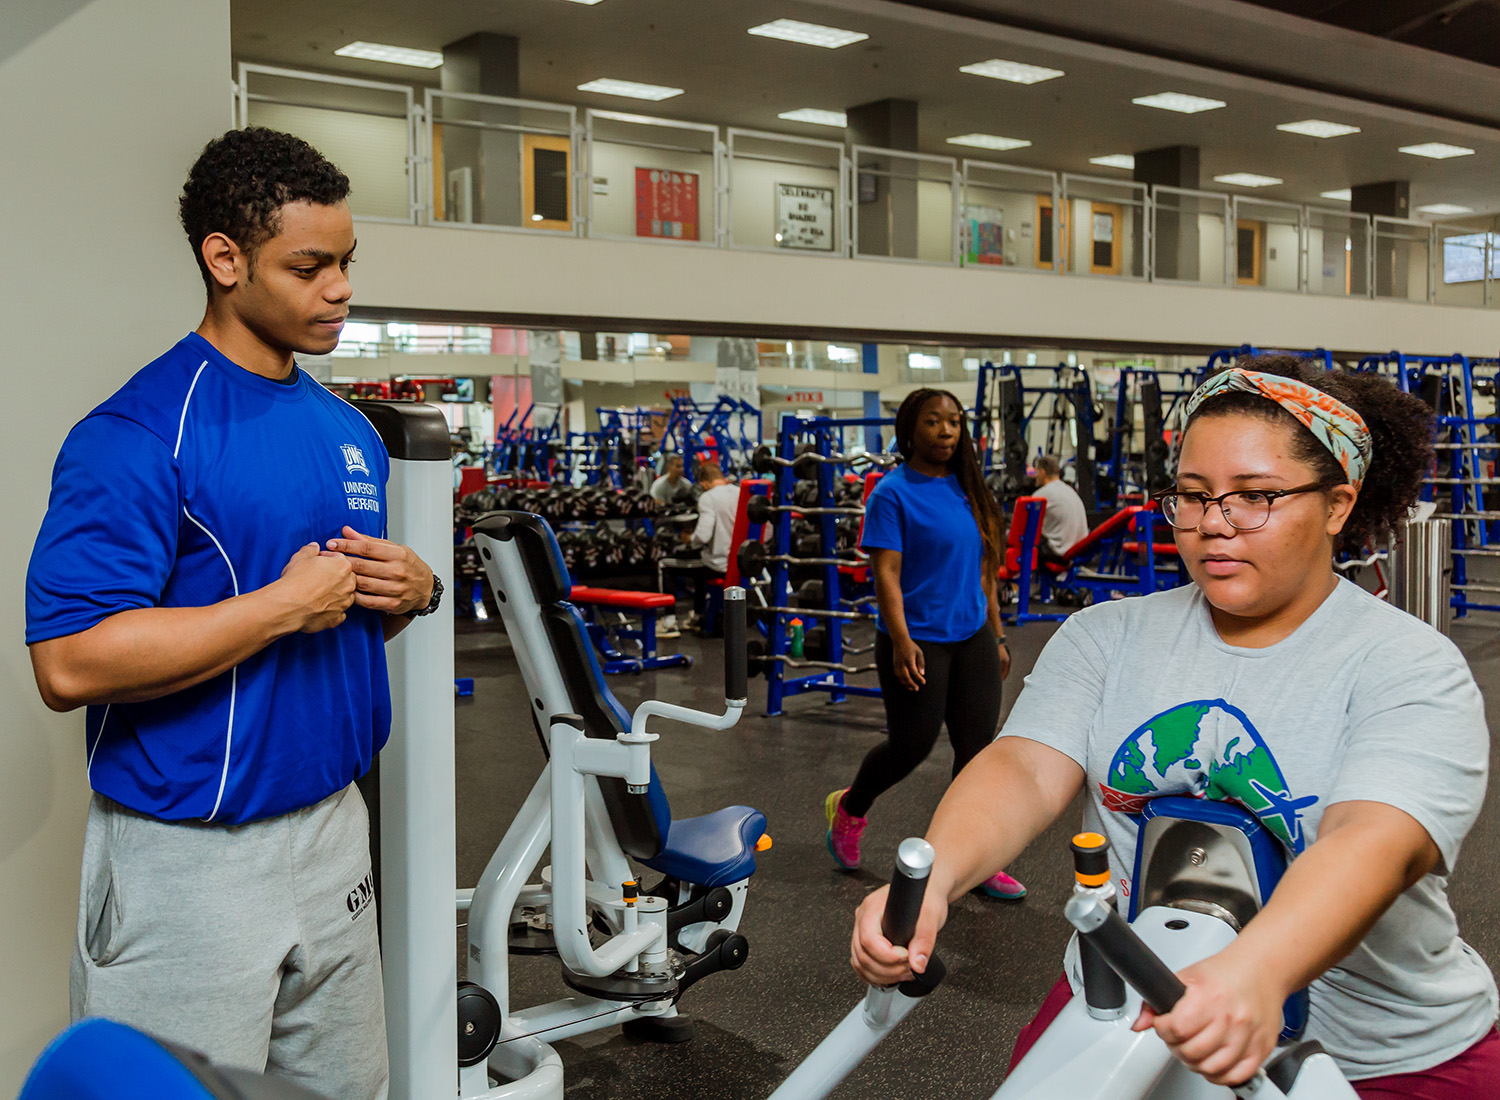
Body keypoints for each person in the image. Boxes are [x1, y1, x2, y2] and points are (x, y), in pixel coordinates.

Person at [850, 357, 1500, 1097]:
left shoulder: (1410, 665)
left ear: (1337, 505)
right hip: (1129, 996)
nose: (1213, 527)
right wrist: (935, 878)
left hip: (1380, 1051)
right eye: (1191, 498)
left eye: (1254, 497)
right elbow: (1024, 768)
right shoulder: (1105, 635)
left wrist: (1259, 969)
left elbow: (1374, 841)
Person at [25, 128, 440, 1100]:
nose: (339, 287)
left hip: (333, 825)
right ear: (225, 258)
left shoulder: (347, 432)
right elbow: (70, 661)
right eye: (310, 265)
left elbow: (330, 626)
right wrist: (281, 605)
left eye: (345, 262)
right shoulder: (136, 432)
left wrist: (408, 594)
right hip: (189, 859)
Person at [825, 388, 1026, 901]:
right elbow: (886, 575)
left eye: (954, 422)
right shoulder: (891, 493)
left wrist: (998, 634)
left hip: (973, 634)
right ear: (911, 428)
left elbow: (984, 572)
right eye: (934, 422)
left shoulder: (968, 489)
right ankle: (850, 809)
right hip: (918, 638)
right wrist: (900, 640)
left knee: (977, 751)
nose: (945, 432)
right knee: (911, 746)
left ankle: (975, 859)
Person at [682, 461, 740, 632]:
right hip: (744, 562)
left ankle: (688, 617)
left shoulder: (708, 497)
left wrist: (689, 539)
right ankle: (702, 615)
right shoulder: (740, 492)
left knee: (672, 565)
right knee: (702, 563)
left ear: (703, 483)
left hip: (719, 565)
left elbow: (703, 536)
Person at [1032, 453, 1089, 566]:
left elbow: (1026, 525)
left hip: (1059, 552)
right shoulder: (1070, 490)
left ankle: (1018, 580)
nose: (1036, 475)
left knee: (1024, 541)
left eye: (1037, 472)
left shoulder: (1041, 494)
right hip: (1081, 548)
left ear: (1042, 472)